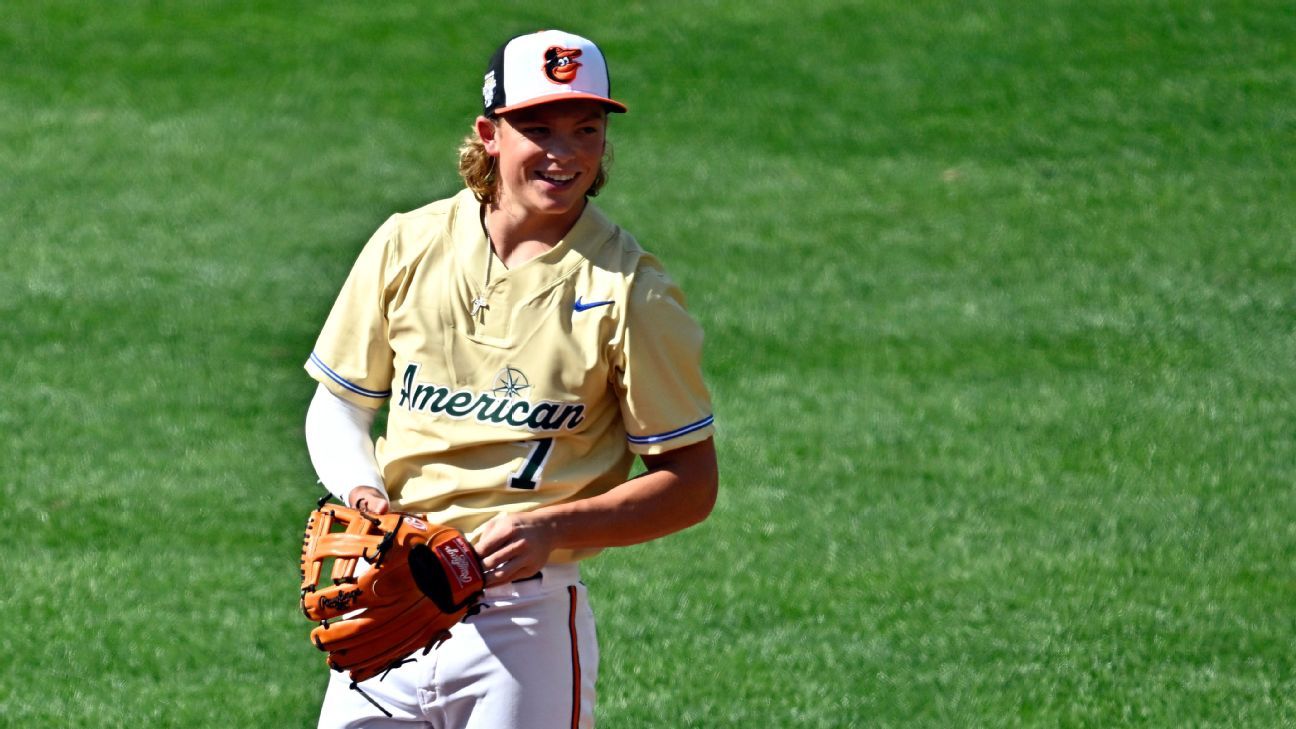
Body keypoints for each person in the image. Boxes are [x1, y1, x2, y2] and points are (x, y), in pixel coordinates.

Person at [302, 29, 719, 728]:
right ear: (489, 133)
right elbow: (337, 405)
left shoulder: (630, 292)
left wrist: (552, 524)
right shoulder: (409, 243)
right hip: (389, 589)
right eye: (538, 128)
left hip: (523, 623)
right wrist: (364, 492)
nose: (564, 153)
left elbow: (690, 481)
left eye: (585, 130)